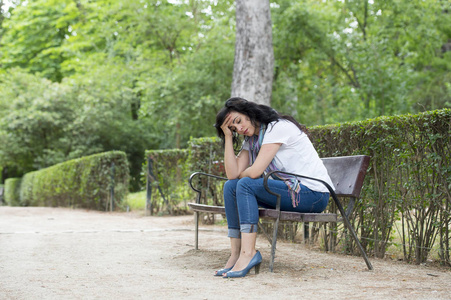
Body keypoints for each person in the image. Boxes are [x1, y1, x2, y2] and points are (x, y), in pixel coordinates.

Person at [213, 97, 334, 278]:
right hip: (291, 192)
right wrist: (228, 138)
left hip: (313, 194)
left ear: (249, 112)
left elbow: (254, 172)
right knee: (231, 186)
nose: (239, 129)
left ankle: (249, 253)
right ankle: (236, 254)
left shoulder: (277, 127)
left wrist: (243, 173)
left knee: (244, 183)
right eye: (233, 129)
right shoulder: (252, 140)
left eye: (238, 122)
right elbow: (232, 175)